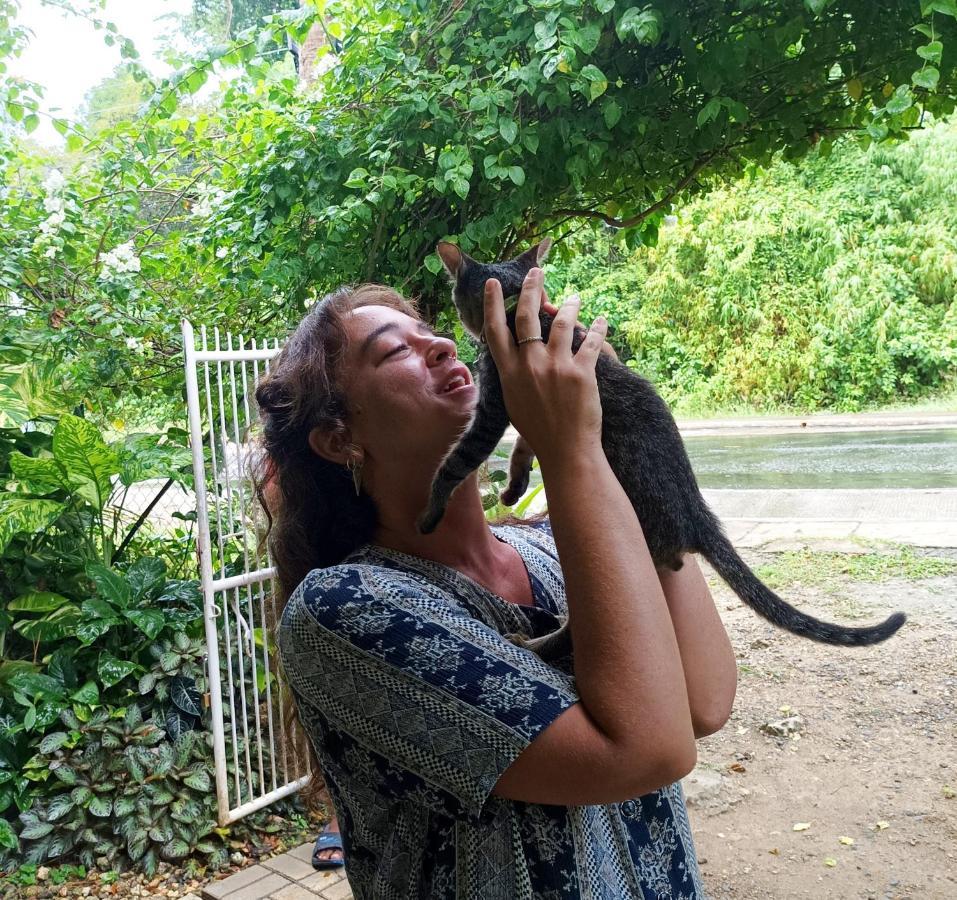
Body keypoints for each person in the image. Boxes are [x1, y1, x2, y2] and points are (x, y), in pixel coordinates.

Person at [256, 268, 738, 897]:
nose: (444, 346)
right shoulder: (344, 610)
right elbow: (648, 752)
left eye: (432, 333)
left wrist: (616, 435)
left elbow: (703, 702)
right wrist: (572, 451)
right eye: (396, 350)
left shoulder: (555, 549)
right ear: (340, 439)